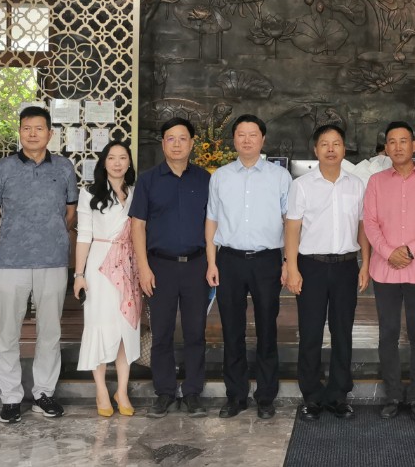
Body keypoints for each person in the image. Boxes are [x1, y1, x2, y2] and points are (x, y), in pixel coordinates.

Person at [0, 105, 78, 424]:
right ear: (20, 132)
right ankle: (10, 397)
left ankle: (43, 394)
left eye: (39, 128)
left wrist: (49, 236)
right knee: (8, 331)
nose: (32, 134)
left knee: (50, 330)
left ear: (50, 133)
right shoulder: (3, 169)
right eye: (27, 128)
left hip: (53, 260)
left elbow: (70, 214)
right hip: (12, 262)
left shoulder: (64, 168)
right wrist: (15, 238)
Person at [205, 114, 292, 420]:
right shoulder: (220, 176)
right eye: (241, 134)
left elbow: (290, 222)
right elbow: (212, 220)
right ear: (234, 139)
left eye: (252, 134)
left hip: (267, 261)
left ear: (262, 139)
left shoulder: (279, 177)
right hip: (229, 260)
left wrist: (287, 261)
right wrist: (212, 261)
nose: (246, 140)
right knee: (232, 330)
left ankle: (266, 397)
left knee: (267, 329)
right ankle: (236, 395)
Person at [284, 124, 371, 422]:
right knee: (310, 332)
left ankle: (338, 395)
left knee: (342, 332)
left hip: (346, 266)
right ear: (316, 149)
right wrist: (292, 267)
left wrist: (365, 263)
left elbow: (362, 227)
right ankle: (311, 396)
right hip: (311, 266)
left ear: (344, 149)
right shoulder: (302, 185)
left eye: (336, 143)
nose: (331, 149)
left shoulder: (356, 185)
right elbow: (292, 228)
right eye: (324, 143)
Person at [363, 121, 415, 421]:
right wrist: (388, 252)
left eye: (403, 141)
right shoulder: (375, 182)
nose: (398, 147)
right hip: (384, 270)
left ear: (414, 145)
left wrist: (411, 250)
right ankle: (393, 395)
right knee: (388, 334)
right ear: (386, 148)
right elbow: (369, 222)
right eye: (392, 142)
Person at [131, 118, 211, 419]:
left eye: (182, 138)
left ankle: (192, 393)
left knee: (195, 332)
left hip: (196, 265)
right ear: (163, 143)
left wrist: (212, 263)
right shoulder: (148, 180)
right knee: (161, 332)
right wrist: (143, 267)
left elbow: (212, 224)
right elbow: (138, 226)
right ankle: (164, 392)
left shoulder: (205, 179)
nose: (176, 144)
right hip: (159, 266)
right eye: (170, 138)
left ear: (192, 143)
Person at [74, 140, 140, 417]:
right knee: (99, 325)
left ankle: (121, 390)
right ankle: (101, 389)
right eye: (111, 157)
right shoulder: (89, 193)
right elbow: (83, 236)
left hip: (129, 267)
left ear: (129, 162)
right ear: (104, 162)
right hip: (99, 267)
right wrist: (79, 274)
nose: (117, 163)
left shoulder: (136, 193)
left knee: (126, 328)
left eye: (122, 157)